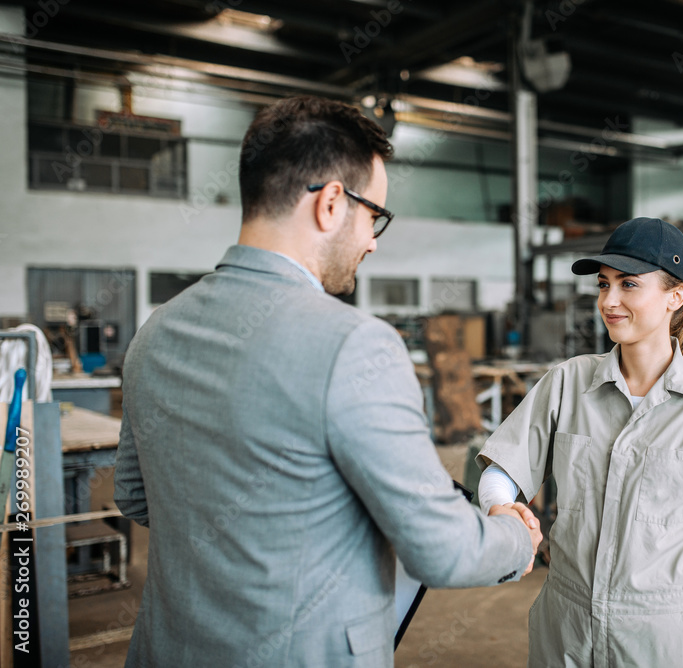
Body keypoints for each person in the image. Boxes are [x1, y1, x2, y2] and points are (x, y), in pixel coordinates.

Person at [114, 96, 542, 668]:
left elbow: (135, 498)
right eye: (374, 218)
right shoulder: (355, 345)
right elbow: (442, 552)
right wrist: (516, 537)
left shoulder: (157, 331)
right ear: (332, 203)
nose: (371, 241)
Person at [477, 217, 683, 667]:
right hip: (566, 630)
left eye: (629, 285)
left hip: (665, 642)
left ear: (675, 296)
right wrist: (498, 504)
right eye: (603, 285)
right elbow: (503, 469)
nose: (609, 301)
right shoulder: (568, 383)